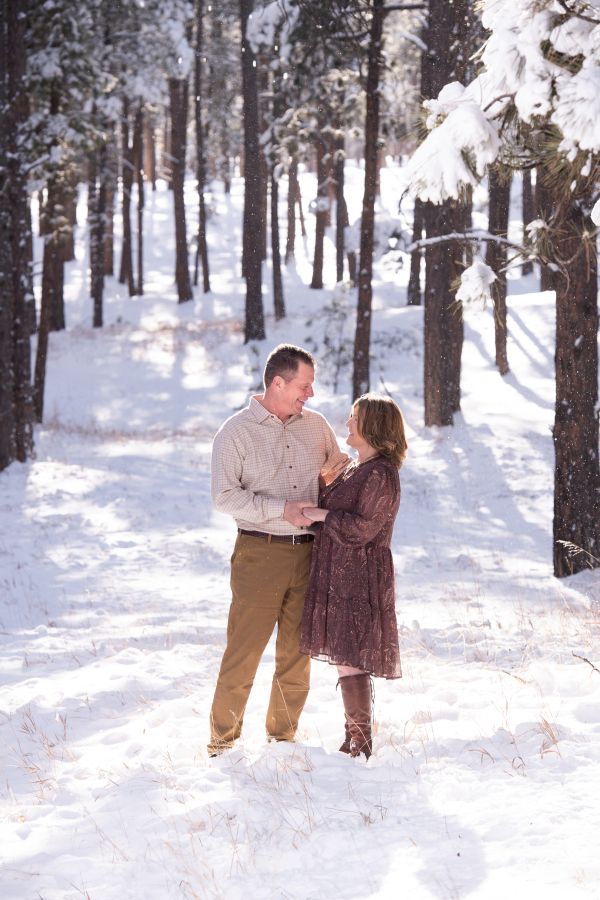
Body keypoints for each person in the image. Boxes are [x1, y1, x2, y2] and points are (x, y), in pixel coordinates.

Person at [208, 344, 348, 756]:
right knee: (243, 653)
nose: (311, 394)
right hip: (259, 554)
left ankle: (282, 739)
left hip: (309, 555)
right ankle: (222, 743)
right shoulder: (235, 433)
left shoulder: (316, 426)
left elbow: (337, 470)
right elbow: (224, 497)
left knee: (297, 654)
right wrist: (280, 510)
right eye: (305, 386)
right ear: (278, 383)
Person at [299, 393, 407, 759]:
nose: (347, 423)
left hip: (359, 574)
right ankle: (355, 738)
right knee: (347, 657)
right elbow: (337, 513)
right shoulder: (359, 468)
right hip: (340, 572)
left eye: (354, 417)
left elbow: (364, 529)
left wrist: (319, 515)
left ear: (372, 426)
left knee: (351, 657)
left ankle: (359, 740)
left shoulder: (381, 473)